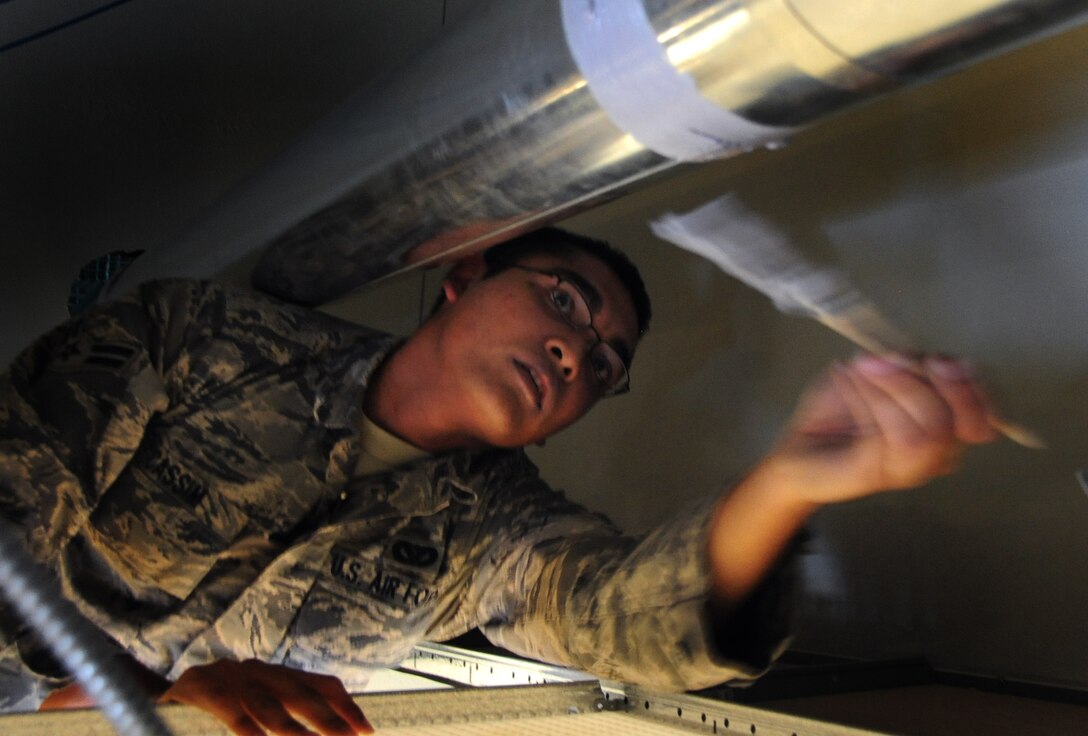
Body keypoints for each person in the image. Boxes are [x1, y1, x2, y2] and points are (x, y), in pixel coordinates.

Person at [0, 228, 997, 735]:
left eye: (601, 363)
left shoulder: (491, 525)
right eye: (562, 301)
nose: (574, 351)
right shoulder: (202, 340)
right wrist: (158, 695)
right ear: (464, 278)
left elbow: (625, 612)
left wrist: (790, 481)